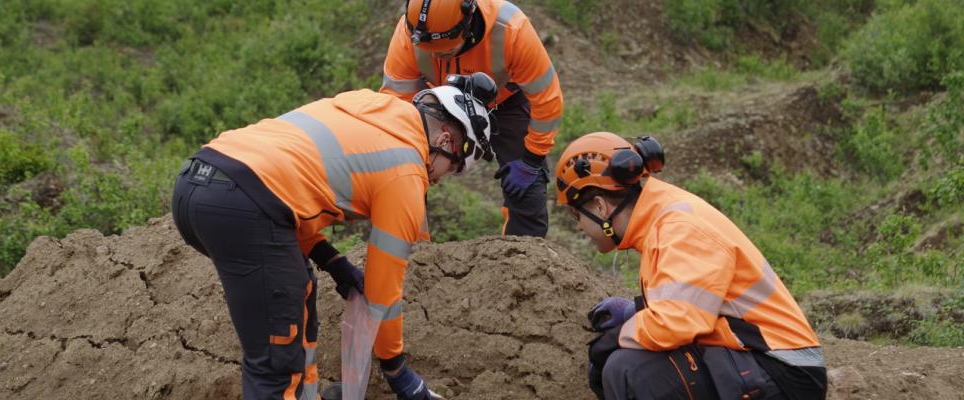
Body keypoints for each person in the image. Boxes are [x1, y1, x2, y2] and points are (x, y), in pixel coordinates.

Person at [170, 76, 496, 400]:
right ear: (447, 141)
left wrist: (333, 262)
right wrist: (399, 373)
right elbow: (382, 293)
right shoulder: (407, 171)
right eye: (450, 169)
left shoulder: (367, 106)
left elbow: (286, 192)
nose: (438, 178)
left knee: (299, 291)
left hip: (196, 184)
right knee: (277, 363)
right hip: (241, 203)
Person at [554, 132, 827, 400]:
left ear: (600, 207)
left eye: (577, 215)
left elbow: (678, 323)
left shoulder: (678, 228)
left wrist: (618, 336)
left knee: (628, 371)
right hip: (758, 355)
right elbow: (693, 298)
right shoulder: (662, 218)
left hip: (784, 370)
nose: (579, 226)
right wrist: (635, 311)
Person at [380, 0, 563, 237]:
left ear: (468, 21)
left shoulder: (511, 30)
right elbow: (397, 100)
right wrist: (412, 153)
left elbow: (547, 98)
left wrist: (532, 159)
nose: (435, 55)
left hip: (504, 101)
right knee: (404, 170)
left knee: (528, 190)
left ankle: (521, 261)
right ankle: (410, 252)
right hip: (438, 99)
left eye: (444, 50)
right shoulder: (409, 33)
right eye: (430, 50)